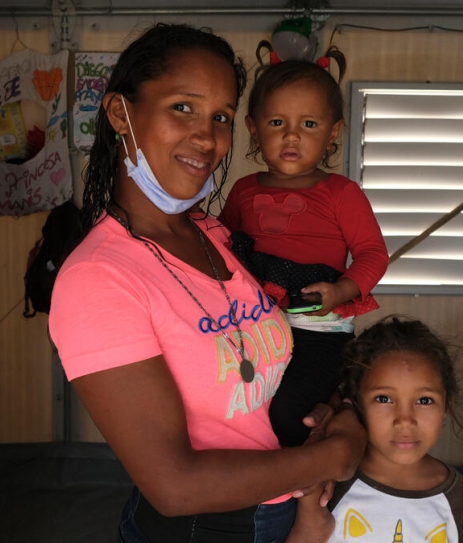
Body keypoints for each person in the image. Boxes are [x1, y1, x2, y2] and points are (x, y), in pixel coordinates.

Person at [48, 23, 366, 542]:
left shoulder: (215, 236)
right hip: (206, 529)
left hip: (281, 512)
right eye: (183, 107)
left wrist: (334, 412)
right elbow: (174, 485)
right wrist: (333, 455)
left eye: (220, 116)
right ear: (118, 113)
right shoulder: (99, 279)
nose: (207, 136)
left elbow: (260, 394)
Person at [218, 51, 389, 449]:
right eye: (277, 122)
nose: (291, 135)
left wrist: (342, 291)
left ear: (333, 132)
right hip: (254, 328)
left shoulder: (341, 193)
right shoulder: (244, 190)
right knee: (245, 408)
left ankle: (302, 486)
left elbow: (373, 254)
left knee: (288, 413)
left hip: (318, 333)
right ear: (253, 129)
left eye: (309, 124)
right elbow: (223, 247)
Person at [295, 316, 463, 543]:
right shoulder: (332, 483)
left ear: (446, 407)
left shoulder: (457, 496)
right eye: (384, 398)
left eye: (425, 401)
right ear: (355, 403)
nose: (405, 421)